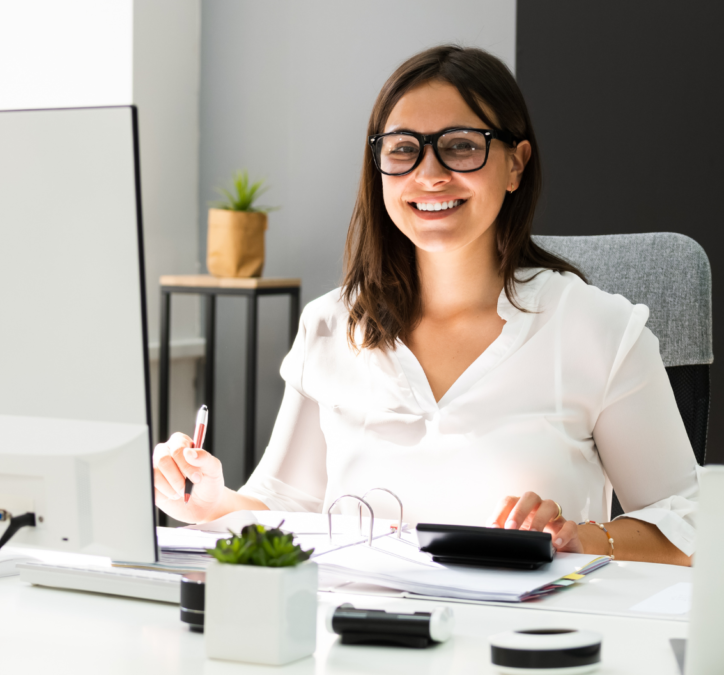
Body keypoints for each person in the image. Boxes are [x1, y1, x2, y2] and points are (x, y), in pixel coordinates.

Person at [152, 45, 697, 566]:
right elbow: (286, 506)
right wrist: (212, 503)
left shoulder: (598, 328)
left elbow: (689, 525)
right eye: (403, 148)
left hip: (522, 645)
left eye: (461, 145)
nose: (429, 174)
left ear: (515, 164)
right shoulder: (330, 324)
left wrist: (579, 537)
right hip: (357, 640)